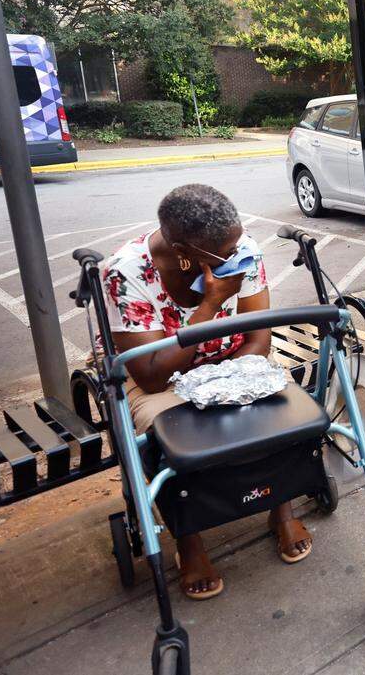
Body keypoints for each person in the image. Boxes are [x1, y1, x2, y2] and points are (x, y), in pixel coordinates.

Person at [101, 184, 312, 600]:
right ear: (183, 250)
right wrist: (210, 305)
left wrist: (233, 385)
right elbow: (152, 377)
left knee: (282, 413)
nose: (238, 255)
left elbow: (258, 339)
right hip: (158, 378)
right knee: (173, 438)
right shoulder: (126, 273)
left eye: (237, 242)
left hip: (235, 362)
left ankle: (281, 507)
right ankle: (189, 540)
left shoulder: (240, 248)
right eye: (224, 251)